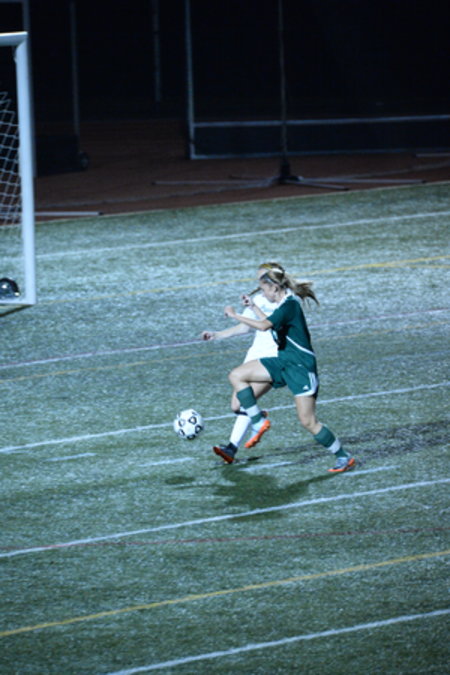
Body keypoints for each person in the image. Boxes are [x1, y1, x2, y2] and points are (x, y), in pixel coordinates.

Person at [217, 262, 355, 473]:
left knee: (308, 421)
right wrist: (253, 307)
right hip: (283, 361)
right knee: (237, 375)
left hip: (300, 368)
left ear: (274, 287)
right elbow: (268, 323)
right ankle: (257, 420)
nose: (262, 294)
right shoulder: (283, 304)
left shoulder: (290, 305)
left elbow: (264, 326)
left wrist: (235, 315)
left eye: (263, 289)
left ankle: (343, 456)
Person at [202, 262, 284, 457]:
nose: (260, 282)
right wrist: (217, 334)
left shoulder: (286, 300)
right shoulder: (258, 299)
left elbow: (269, 325)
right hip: (254, 356)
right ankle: (255, 418)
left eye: (263, 278)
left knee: (243, 403)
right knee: (236, 405)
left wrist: (240, 312)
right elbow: (244, 327)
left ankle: (233, 445)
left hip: (274, 357)